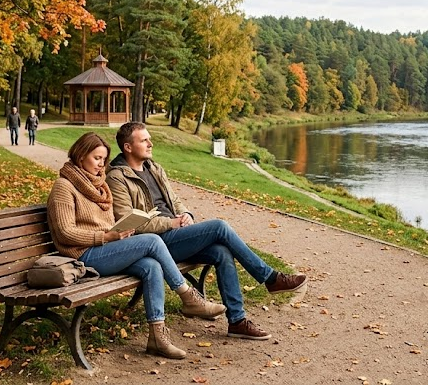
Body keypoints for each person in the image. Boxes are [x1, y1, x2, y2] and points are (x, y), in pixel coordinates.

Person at [107, 122, 307, 341]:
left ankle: (237, 321)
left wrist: (187, 215)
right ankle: (270, 278)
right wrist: (171, 223)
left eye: (149, 138)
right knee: (219, 227)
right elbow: (130, 224)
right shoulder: (117, 177)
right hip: (154, 244)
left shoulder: (153, 168)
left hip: (176, 235)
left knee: (221, 251)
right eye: (144, 140)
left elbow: (175, 201)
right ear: (128, 147)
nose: (150, 143)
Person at [46, 132, 227, 360]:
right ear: (81, 156)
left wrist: (124, 230)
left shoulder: (100, 185)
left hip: (106, 248)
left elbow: (107, 223)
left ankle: (157, 338)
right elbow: (65, 232)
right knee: (152, 240)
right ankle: (188, 296)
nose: (102, 164)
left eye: (104, 159)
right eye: (96, 158)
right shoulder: (64, 186)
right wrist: (106, 237)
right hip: (84, 255)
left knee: (151, 266)